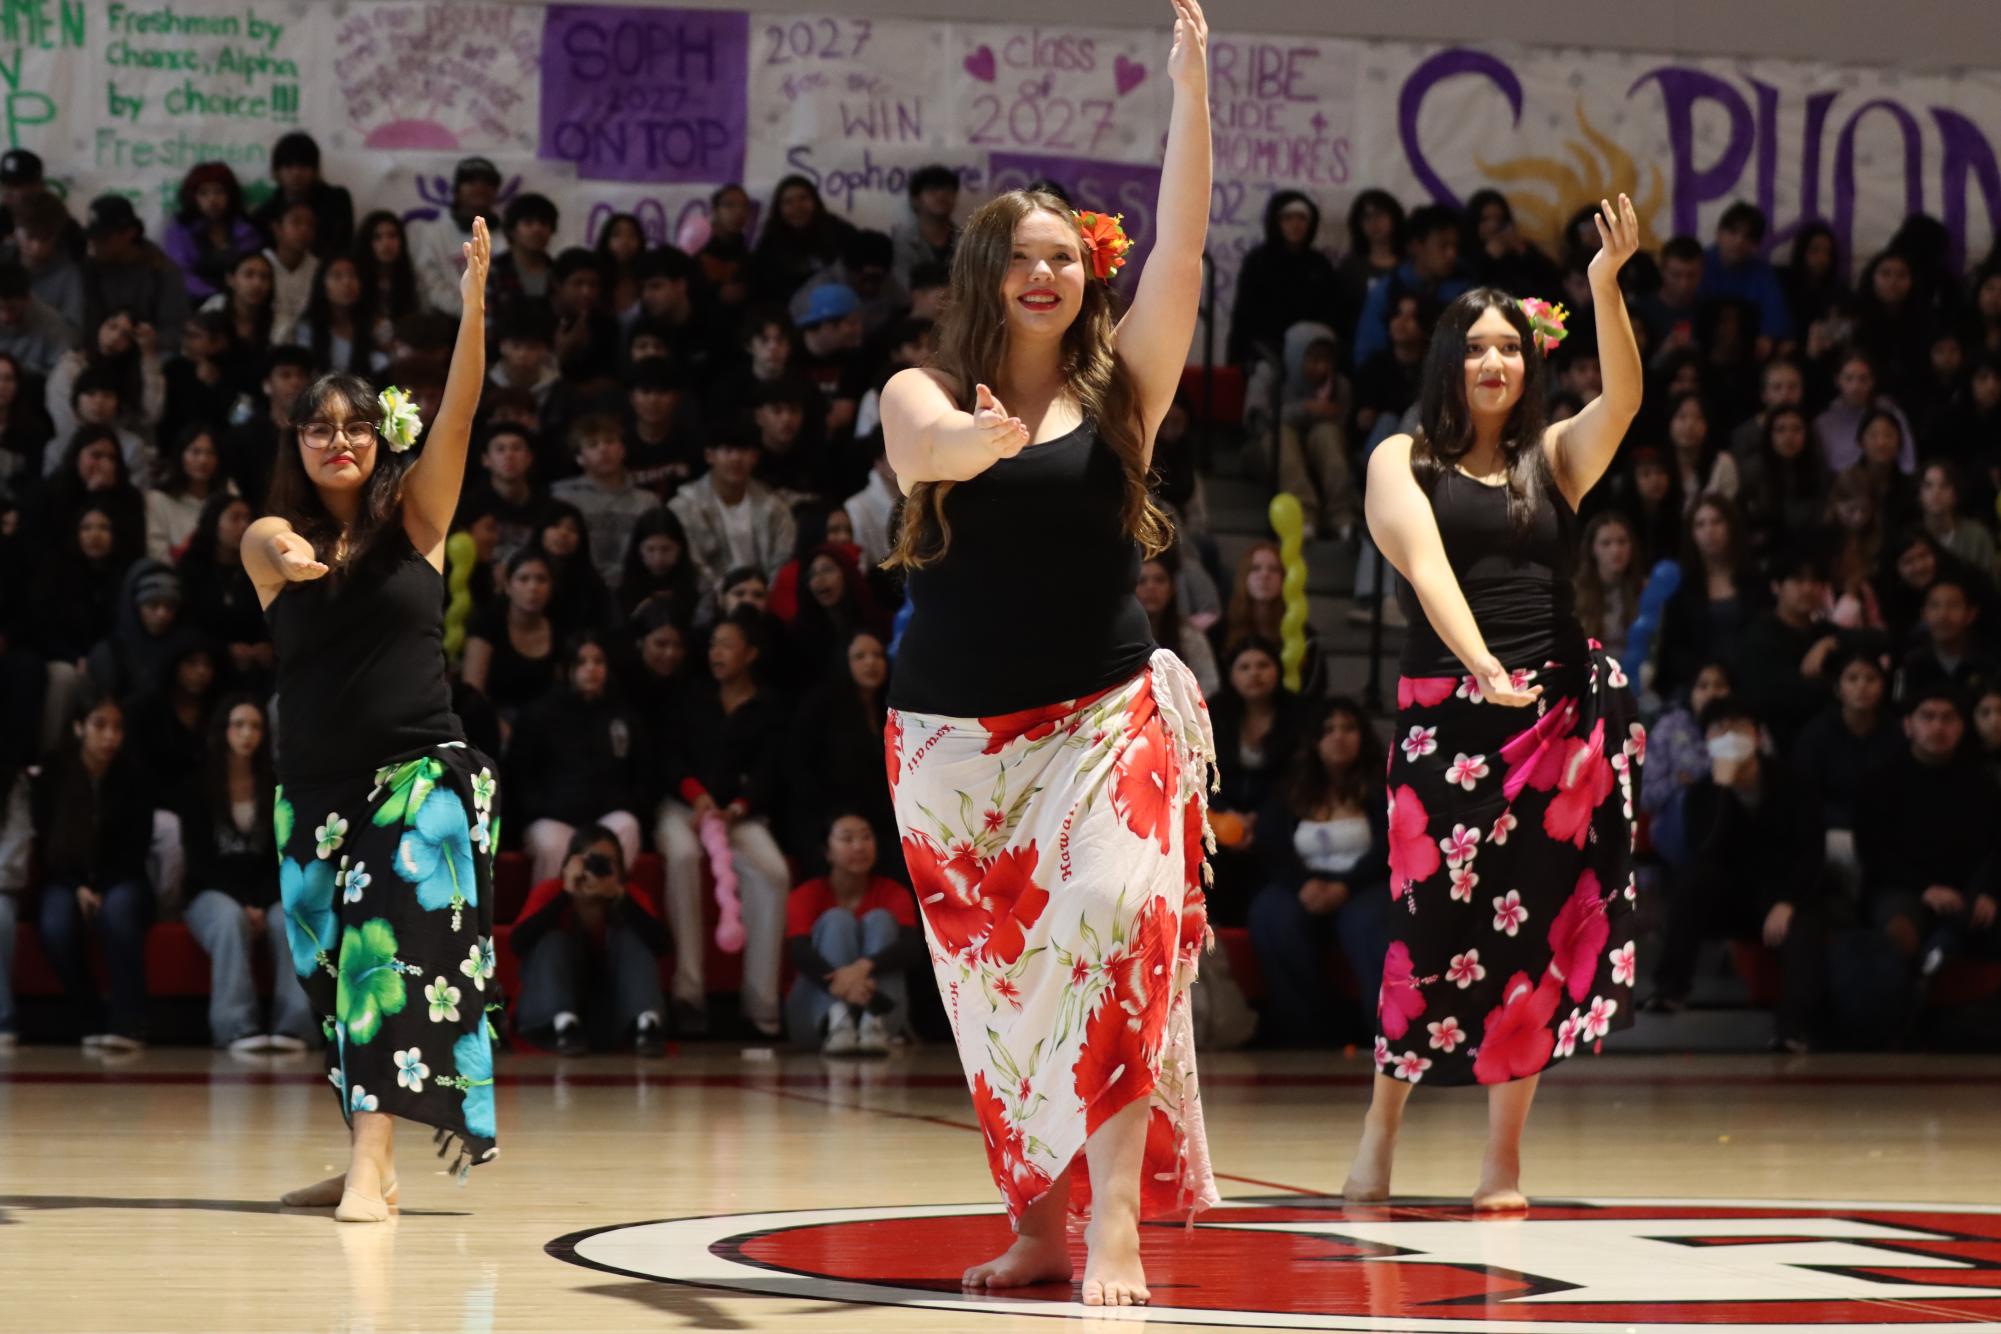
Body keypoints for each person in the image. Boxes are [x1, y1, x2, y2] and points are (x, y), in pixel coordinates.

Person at [878, 1, 1214, 1306]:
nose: (1049, 271)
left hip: (1101, 718)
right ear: (984, 274)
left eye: (1068, 253)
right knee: (998, 988)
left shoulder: (1124, 384)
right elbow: (920, 449)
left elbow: (1180, 250)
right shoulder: (920, 386)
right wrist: (978, 443)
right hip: (952, 745)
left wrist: (1190, 95)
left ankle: (1114, 1227)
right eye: (1025, 254)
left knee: (1115, 926)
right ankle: (1034, 1228)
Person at [1351, 196, 1645, 1210]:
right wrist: (1479, 664)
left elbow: (1625, 404)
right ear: (1448, 361)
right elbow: (1427, 567)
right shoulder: (1404, 460)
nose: (1493, 362)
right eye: (1475, 347)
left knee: (1532, 938)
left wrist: (1604, 288)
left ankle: (1501, 1161)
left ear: (1530, 364)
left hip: (1556, 724)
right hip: (1449, 719)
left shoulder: (1553, 458)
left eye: (1510, 348)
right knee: (1424, 932)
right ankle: (1378, 1136)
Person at [242, 216, 497, 1220]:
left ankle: (374, 1171)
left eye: (356, 424)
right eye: (319, 427)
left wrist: (475, 303)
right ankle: (366, 1154)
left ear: (380, 435)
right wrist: (302, 557)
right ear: (298, 444)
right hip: (313, 791)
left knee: (381, 961)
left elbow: (464, 415)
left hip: (417, 773)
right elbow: (272, 545)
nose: (340, 439)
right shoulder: (272, 536)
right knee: (332, 978)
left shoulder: (420, 523)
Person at [652, 606, 790, 1038]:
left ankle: (761, 1006)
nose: (717, 653)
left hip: (737, 815)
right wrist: (697, 795)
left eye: (727, 645)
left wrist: (740, 807)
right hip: (683, 809)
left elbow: (772, 770)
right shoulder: (689, 696)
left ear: (750, 653)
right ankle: (689, 995)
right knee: (682, 857)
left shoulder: (768, 706)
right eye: (713, 644)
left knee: (774, 873)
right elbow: (668, 757)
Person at [1246, 699, 1392, 1046]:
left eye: (1348, 728)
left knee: (1371, 923)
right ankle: (1303, 1035)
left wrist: (1346, 885)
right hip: (1305, 885)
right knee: (1271, 915)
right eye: (1328, 730)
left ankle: (1384, 1038)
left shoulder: (1382, 786)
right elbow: (1271, 844)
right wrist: (1303, 884)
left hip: (1363, 886)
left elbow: (1393, 844)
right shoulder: (1291, 788)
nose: (1338, 737)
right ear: (1314, 741)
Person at [178, 695, 315, 1052]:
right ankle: (235, 1027)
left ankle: (294, 1027)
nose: (246, 734)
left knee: (288, 918)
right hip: (210, 893)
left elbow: (281, 858)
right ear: (223, 731)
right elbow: (200, 862)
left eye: (254, 726)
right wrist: (242, 903)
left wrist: (259, 901)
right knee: (227, 919)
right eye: (238, 725)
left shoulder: (277, 788)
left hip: (264, 893)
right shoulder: (197, 787)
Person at [30, 691, 155, 1050]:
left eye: (117, 727)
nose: (110, 736)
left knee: (117, 911)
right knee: (55, 922)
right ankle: (88, 1015)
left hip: (124, 879)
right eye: (100, 725)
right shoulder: (54, 773)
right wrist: (78, 886)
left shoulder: (133, 774)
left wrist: (100, 886)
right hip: (64, 879)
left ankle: (129, 1021)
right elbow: (45, 845)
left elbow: (136, 848)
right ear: (79, 726)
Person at [1856, 685, 2000, 982]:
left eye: (1948, 718)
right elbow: (1873, 852)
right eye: (1928, 717)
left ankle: (1942, 953)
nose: (1937, 726)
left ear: (1962, 727)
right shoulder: (1880, 781)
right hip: (1902, 887)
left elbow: (1995, 847)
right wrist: (1926, 888)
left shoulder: (1981, 784)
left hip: (1966, 888)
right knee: (1899, 931)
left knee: (1980, 921)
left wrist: (1989, 892)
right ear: (1908, 725)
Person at [510, 824, 669, 1057]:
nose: (599, 869)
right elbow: (518, 943)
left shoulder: (631, 896)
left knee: (632, 936)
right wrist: (567, 894)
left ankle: (647, 1024)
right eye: (592, 861)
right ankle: (564, 1024)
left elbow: (662, 945)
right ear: (572, 862)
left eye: (608, 863)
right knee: (552, 940)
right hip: (552, 1015)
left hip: (616, 1012)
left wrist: (620, 899)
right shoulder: (552, 891)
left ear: (621, 867)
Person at [509, 631, 649, 883]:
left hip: (604, 817)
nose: (591, 669)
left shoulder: (622, 716)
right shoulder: (538, 716)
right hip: (552, 817)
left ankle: (607, 913)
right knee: (552, 844)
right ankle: (548, 919)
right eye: (582, 662)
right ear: (566, 669)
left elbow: (639, 774)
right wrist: (547, 808)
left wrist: (622, 802)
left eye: (598, 661)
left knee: (627, 826)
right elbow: (521, 776)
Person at [784, 812, 922, 1053]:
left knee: (880, 919)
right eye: (847, 839)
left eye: (866, 838)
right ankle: (838, 1020)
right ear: (827, 851)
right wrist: (842, 984)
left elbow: (911, 948)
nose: (859, 846)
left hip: (881, 1010)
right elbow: (798, 952)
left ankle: (873, 1022)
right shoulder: (806, 894)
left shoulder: (893, 892)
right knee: (838, 920)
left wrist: (863, 968)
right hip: (814, 1019)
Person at [407, 157, 504, 316]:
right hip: (447, 323)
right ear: (457, 191)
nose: (480, 187)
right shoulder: (433, 234)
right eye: (471, 181)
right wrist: (470, 314)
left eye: (487, 183)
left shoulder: (509, 235)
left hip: (498, 323)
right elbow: (430, 284)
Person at [161, 163, 263, 303]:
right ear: (193, 197)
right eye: (204, 193)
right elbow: (180, 275)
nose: (212, 199)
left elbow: (255, 269)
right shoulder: (180, 230)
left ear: (230, 195)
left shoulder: (246, 229)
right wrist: (216, 296)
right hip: (192, 303)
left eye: (219, 192)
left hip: (242, 303)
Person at [251, 132, 354, 260]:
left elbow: (342, 248)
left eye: (304, 165)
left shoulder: (337, 201)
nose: (296, 173)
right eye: (288, 166)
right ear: (276, 172)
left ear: (316, 170)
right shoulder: (264, 215)